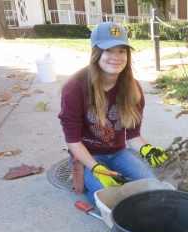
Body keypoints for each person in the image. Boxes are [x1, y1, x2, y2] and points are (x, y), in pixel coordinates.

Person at [58, 22, 167, 204]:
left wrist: (146, 149)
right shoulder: (75, 88)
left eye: (122, 51)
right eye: (108, 50)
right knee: (112, 199)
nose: (116, 57)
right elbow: (73, 140)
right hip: (87, 156)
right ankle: (87, 183)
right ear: (96, 53)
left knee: (154, 189)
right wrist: (97, 168)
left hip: (118, 153)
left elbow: (133, 135)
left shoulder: (133, 88)